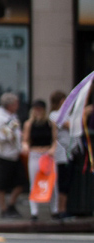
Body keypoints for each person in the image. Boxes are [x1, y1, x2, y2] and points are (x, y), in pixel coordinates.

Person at [0, 92, 24, 218]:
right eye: (15, 103)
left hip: (15, 154)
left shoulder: (13, 116)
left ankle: (11, 204)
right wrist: (4, 137)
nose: (17, 105)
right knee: (1, 184)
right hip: (3, 155)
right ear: (10, 105)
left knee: (20, 183)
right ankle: (4, 209)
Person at [22, 99, 56, 221]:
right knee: (34, 182)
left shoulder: (50, 123)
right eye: (35, 109)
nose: (37, 111)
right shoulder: (29, 124)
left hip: (47, 154)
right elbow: (25, 140)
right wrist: (25, 146)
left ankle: (54, 209)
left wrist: (52, 149)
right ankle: (34, 211)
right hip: (35, 153)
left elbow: (54, 140)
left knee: (51, 182)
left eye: (39, 109)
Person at [49, 89, 74, 220]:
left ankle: (63, 208)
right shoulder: (54, 115)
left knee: (67, 181)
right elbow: (69, 125)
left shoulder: (68, 114)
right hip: (61, 153)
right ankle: (60, 209)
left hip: (70, 152)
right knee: (62, 181)